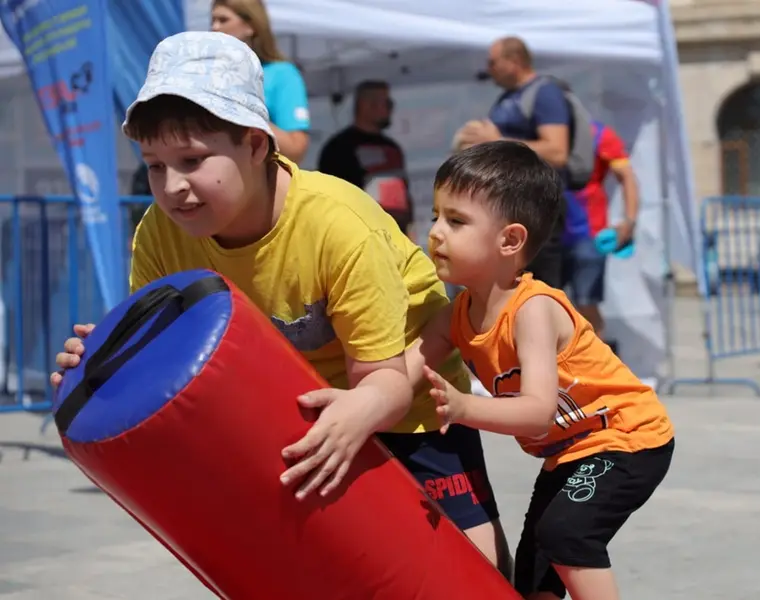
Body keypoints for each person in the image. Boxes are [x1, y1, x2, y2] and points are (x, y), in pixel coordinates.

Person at [49, 31, 509, 575]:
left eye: (193, 159)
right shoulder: (159, 234)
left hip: (410, 400)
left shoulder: (337, 225)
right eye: (154, 165)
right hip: (299, 407)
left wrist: (355, 419)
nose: (172, 186)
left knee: (472, 572)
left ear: (255, 144)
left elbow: (383, 382)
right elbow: (162, 357)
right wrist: (105, 368)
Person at [406, 140, 675, 600]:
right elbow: (403, 369)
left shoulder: (534, 309)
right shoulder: (455, 315)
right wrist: (350, 402)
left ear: (510, 240)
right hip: (569, 453)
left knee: (567, 536)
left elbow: (535, 412)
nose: (436, 232)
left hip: (629, 439)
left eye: (456, 221)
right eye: (435, 216)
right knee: (533, 578)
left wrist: (463, 405)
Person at [452, 36, 571, 288]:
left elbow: (557, 151)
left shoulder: (545, 92)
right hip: (507, 205)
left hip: (537, 206)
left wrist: (499, 140)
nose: (488, 69)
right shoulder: (508, 98)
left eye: (493, 62)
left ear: (514, 61)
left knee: (539, 289)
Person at [561, 120, 640, 341]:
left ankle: (596, 369)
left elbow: (627, 176)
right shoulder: (533, 132)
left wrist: (629, 222)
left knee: (587, 304)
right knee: (537, 305)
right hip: (544, 236)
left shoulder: (597, 133)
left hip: (588, 235)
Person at [211, 0, 310, 163]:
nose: (215, 28)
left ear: (251, 26)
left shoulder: (282, 74)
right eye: (212, 21)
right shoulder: (207, 73)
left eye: (223, 20)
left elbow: (296, 150)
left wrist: (244, 109)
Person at [318, 80, 414, 237]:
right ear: (367, 105)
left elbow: (405, 194)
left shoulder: (393, 147)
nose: (390, 110)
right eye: (387, 103)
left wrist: (410, 228)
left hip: (397, 236)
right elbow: (332, 198)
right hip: (362, 237)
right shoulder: (338, 148)